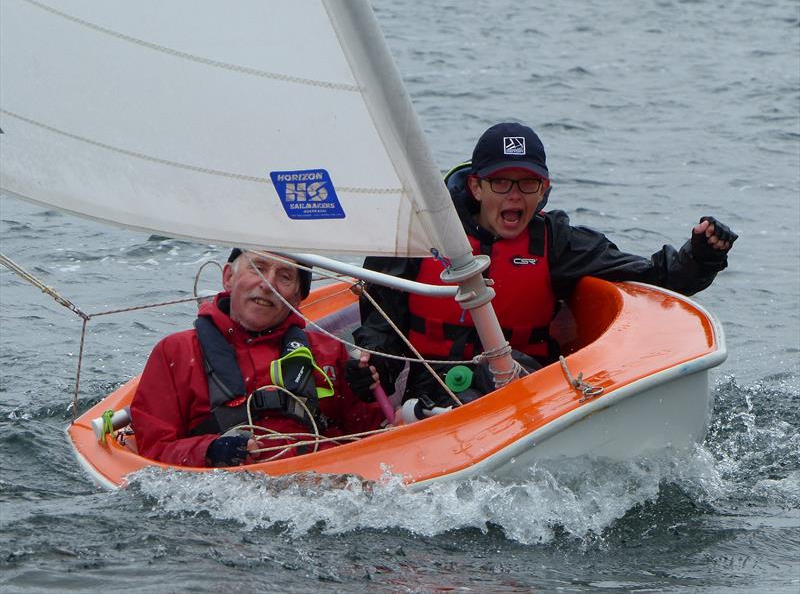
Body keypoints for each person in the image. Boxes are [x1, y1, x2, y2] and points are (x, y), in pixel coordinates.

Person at [347, 122, 738, 406]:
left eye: (527, 183)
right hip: (430, 394)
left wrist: (703, 253)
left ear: (544, 190)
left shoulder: (558, 242)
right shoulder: (418, 237)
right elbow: (382, 324)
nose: (514, 195)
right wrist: (370, 366)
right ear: (476, 187)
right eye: (501, 182)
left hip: (528, 391)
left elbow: (656, 277)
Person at [130, 249, 385, 467]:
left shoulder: (330, 352)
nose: (267, 283)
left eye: (285, 276)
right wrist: (210, 451)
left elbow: (372, 436)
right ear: (229, 277)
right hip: (224, 490)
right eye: (257, 268)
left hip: (322, 480)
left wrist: (362, 391)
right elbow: (152, 452)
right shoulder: (175, 352)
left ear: (298, 297)